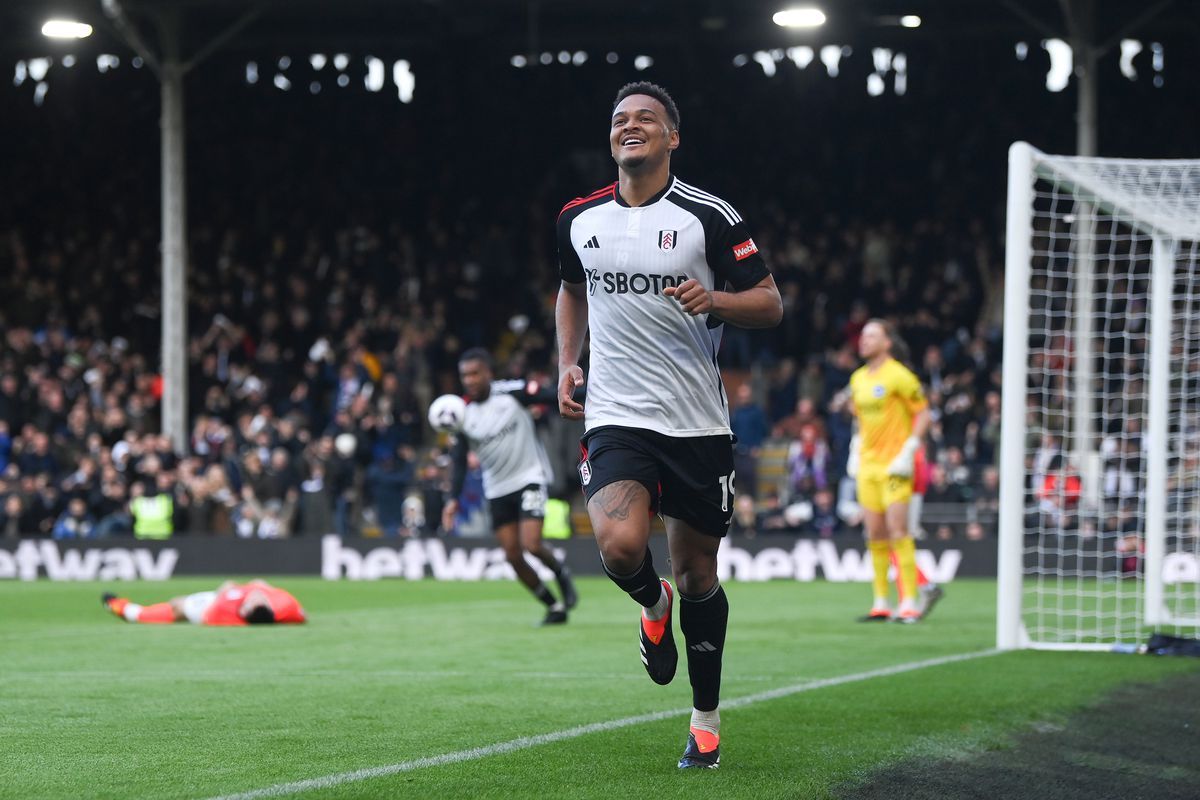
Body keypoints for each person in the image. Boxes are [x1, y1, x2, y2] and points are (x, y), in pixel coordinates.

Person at [555, 81, 782, 769]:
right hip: (616, 414)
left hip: (696, 425)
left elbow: (770, 304)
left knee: (697, 576)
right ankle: (650, 608)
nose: (631, 127)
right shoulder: (579, 218)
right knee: (621, 545)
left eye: (646, 119)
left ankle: (705, 720)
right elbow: (570, 289)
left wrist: (713, 298)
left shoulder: (706, 215)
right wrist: (569, 360)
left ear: (672, 137)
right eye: (620, 118)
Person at [441, 348, 578, 625]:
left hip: (529, 477)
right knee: (513, 555)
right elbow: (458, 459)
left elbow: (550, 394)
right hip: (497, 488)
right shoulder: (463, 414)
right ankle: (553, 606)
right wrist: (452, 499)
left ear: (488, 373)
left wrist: (585, 397)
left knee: (531, 544)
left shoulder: (513, 392)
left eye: (475, 373)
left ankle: (561, 575)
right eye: (465, 375)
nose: (469, 380)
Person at [846, 319, 930, 623]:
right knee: (875, 534)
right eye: (863, 336)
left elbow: (923, 414)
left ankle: (909, 601)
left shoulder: (900, 376)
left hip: (895, 466)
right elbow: (859, 419)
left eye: (872, 336)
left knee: (898, 531)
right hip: (868, 465)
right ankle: (881, 601)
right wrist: (855, 447)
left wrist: (909, 450)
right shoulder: (857, 379)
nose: (864, 341)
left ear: (887, 342)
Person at [101, 579, 306, 625]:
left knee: (176, 606)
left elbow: (224, 592)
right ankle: (128, 610)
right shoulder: (283, 606)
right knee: (176, 606)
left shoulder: (223, 611)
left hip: (210, 605)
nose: (251, 598)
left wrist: (228, 589)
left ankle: (122, 608)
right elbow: (301, 614)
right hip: (222, 597)